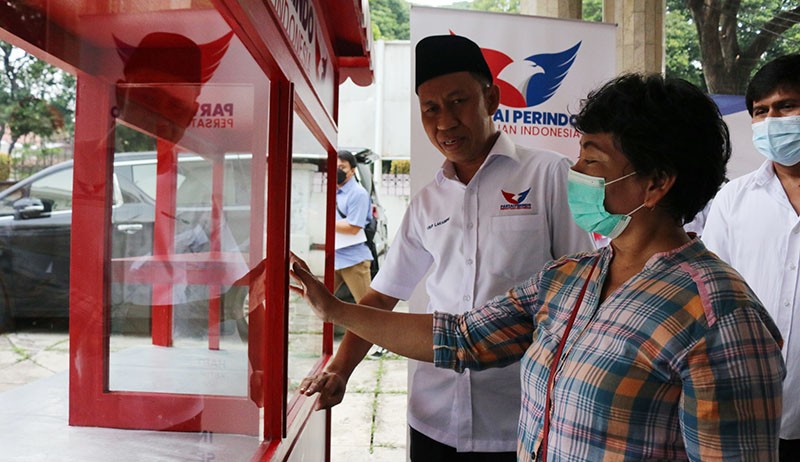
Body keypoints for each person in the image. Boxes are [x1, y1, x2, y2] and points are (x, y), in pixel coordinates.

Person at [291, 73, 785, 461]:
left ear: (655, 184)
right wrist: (333, 309)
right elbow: (460, 338)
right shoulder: (570, 278)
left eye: (592, 161)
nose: (574, 173)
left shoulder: (720, 317)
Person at [300, 34, 592, 460]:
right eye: (430, 109)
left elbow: (579, 293)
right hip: (434, 416)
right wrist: (340, 370)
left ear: (490, 98)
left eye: (458, 102)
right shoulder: (427, 203)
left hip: (521, 418)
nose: (445, 122)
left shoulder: (548, 175)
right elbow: (383, 296)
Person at [702, 54, 800, 460]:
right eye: (761, 111)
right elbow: (709, 296)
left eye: (787, 106)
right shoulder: (732, 201)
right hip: (747, 410)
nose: (773, 120)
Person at [334, 149, 374, 307]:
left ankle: (373, 333)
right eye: (335, 166)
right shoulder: (334, 192)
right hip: (335, 257)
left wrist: (327, 223)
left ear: (352, 171)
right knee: (321, 303)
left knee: (366, 309)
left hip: (354, 260)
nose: (338, 170)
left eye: (342, 167)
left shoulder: (358, 194)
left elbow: (353, 227)